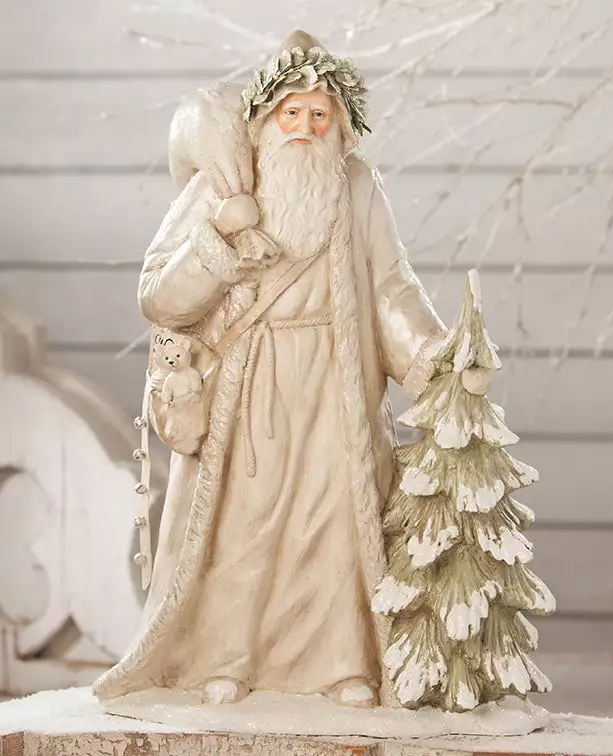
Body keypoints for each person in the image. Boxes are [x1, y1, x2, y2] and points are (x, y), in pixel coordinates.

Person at [93, 29, 489, 710]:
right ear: (265, 118)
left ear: (341, 125)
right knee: (244, 525)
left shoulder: (357, 188)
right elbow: (159, 296)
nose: (305, 127)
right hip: (248, 386)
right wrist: (220, 235)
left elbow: (391, 288)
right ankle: (225, 659)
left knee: (331, 525)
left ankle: (342, 663)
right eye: (292, 112)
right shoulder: (224, 187)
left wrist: (433, 356)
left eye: (320, 114)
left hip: (336, 381)